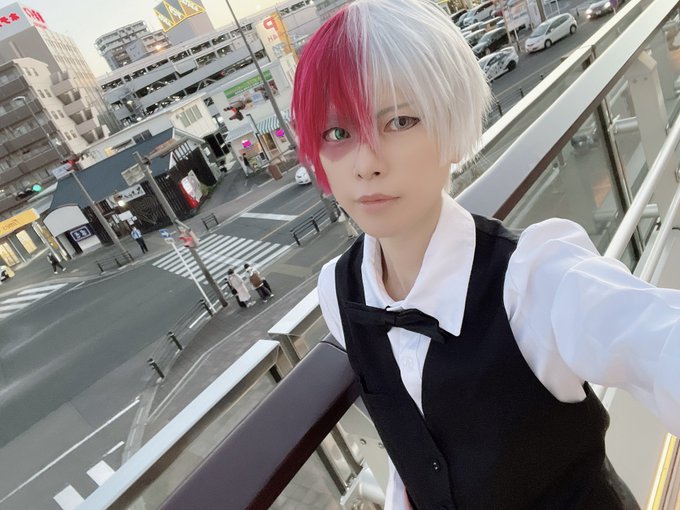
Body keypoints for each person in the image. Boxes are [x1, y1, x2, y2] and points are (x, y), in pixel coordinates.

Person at [291, 0, 680, 508]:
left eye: (400, 121)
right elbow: (416, 447)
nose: (366, 163)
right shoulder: (339, 291)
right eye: (338, 133)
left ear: (452, 129)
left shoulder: (532, 279)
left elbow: (656, 338)